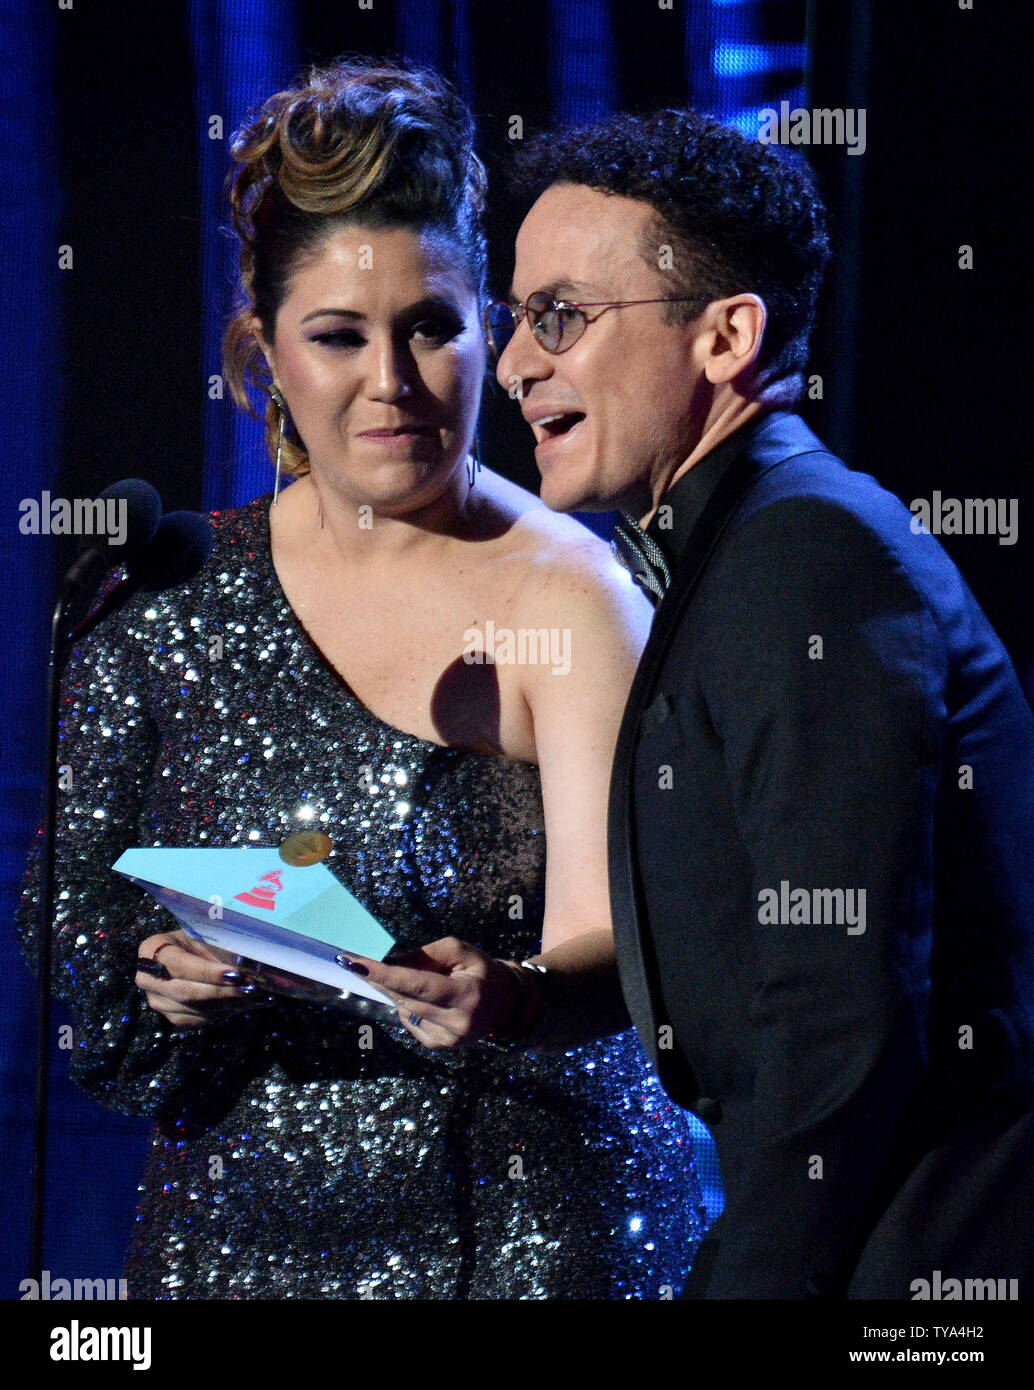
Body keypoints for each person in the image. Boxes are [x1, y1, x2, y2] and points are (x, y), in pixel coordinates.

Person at [16, 64, 708, 1299]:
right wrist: (159, 972)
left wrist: (516, 995)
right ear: (264, 352)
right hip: (229, 1240)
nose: (390, 380)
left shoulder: (571, 595)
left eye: (431, 326)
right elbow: (76, 935)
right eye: (339, 336)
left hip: (521, 1228)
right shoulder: (167, 603)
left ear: (486, 330)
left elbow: (634, 948)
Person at [364, 104, 1034, 1300]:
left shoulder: (807, 555)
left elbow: (838, 1020)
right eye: (517, 320)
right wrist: (519, 996)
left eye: (561, 317)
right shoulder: (727, 551)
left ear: (725, 337)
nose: (513, 363)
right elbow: (735, 943)